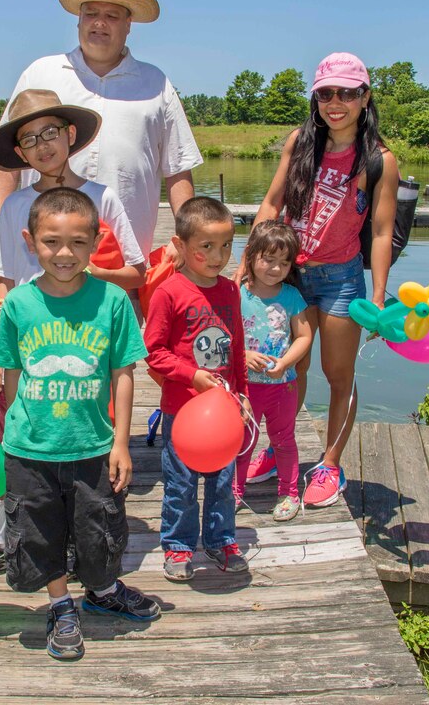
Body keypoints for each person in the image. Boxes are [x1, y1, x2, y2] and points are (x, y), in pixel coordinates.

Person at [0, 89, 145, 590]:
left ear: (70, 135)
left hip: (87, 346)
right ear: (21, 152)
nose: (42, 145)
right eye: (29, 139)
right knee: (9, 442)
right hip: (25, 348)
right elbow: (2, 274)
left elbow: (137, 273)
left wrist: (86, 267)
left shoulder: (102, 198)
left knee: (85, 455)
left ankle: (84, 553)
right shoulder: (15, 205)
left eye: (50, 133)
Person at [0, 188, 159, 661]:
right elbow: (11, 374)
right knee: (40, 532)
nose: (64, 254)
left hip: (93, 445)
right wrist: (17, 435)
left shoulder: (112, 301)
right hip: (30, 450)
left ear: (95, 241)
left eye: (77, 243)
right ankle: (60, 604)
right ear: (30, 241)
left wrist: (121, 443)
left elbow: (123, 373)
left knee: (100, 527)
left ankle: (103, 591)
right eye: (51, 242)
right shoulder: (19, 304)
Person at [239, 52, 399, 509]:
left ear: (365, 98)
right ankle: (279, 447)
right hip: (289, 275)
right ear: (316, 97)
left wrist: (379, 295)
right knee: (290, 369)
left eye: (348, 93)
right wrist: (248, 260)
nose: (336, 103)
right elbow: (271, 204)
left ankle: (330, 462)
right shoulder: (300, 142)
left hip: (341, 279)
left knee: (337, 374)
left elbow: (383, 231)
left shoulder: (379, 159)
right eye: (327, 93)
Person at [0, 0, 202, 265]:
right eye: (91, 13)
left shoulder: (156, 83)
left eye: (112, 15)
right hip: (41, 261)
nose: (100, 22)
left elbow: (177, 169)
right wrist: (0, 230)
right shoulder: (39, 73)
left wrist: (186, 237)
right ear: (79, 20)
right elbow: (5, 166)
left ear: (129, 25)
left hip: (124, 262)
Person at [145, 196, 250, 582]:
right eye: (206, 247)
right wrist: (192, 376)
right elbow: (153, 353)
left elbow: (236, 347)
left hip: (223, 410)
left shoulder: (230, 291)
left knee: (224, 482)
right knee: (181, 483)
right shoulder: (168, 293)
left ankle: (221, 539)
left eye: (226, 245)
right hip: (182, 410)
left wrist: (242, 395)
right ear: (182, 246)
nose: (218, 255)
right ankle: (178, 545)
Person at [234, 221, 312, 520]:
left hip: (283, 385)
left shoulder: (291, 296)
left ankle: (289, 492)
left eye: (284, 262)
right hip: (246, 388)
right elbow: (223, 336)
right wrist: (241, 355)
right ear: (251, 255)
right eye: (268, 259)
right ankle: (234, 491)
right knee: (242, 440)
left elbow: (303, 336)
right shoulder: (237, 294)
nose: (275, 268)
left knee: (283, 438)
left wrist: (286, 363)